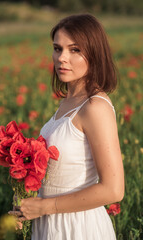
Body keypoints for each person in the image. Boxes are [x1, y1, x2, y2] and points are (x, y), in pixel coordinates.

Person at [10, 13, 124, 239]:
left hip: (78, 227)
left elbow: (114, 189)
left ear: (94, 53)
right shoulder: (68, 103)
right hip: (49, 224)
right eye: (57, 48)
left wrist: (45, 207)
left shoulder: (95, 107)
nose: (62, 57)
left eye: (75, 50)